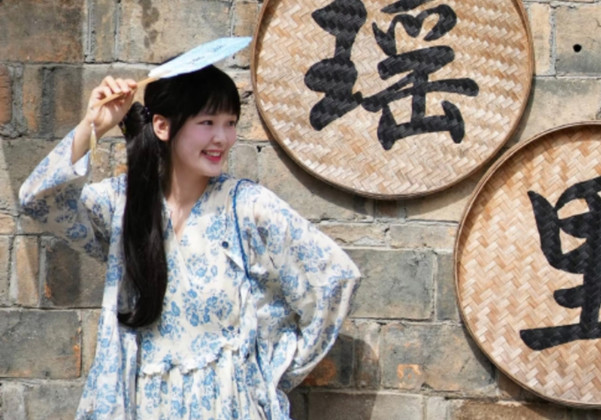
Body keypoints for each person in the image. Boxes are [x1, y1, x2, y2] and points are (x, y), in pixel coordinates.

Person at [18, 65, 360, 419]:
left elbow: (335, 278)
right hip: (144, 406)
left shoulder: (248, 207)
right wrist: (95, 124)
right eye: (207, 122)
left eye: (230, 123)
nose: (223, 138)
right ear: (162, 126)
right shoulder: (124, 203)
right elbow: (38, 200)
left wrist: (274, 372)